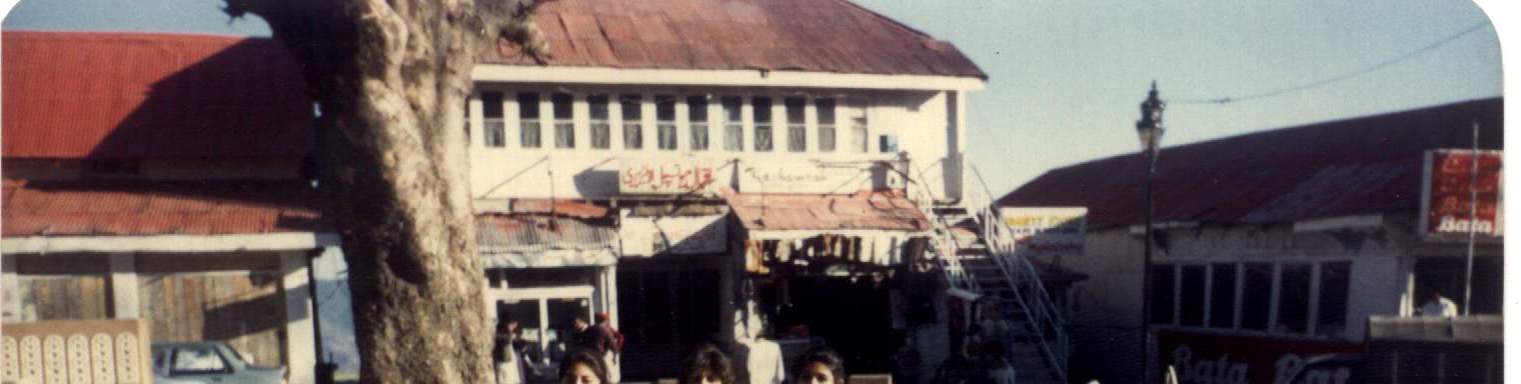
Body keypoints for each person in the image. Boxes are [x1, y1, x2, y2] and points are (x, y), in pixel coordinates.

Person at [494, 317, 526, 384]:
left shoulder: (510, 335)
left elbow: (520, 345)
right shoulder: (502, 335)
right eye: (512, 324)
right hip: (505, 364)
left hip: (510, 364)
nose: (513, 327)